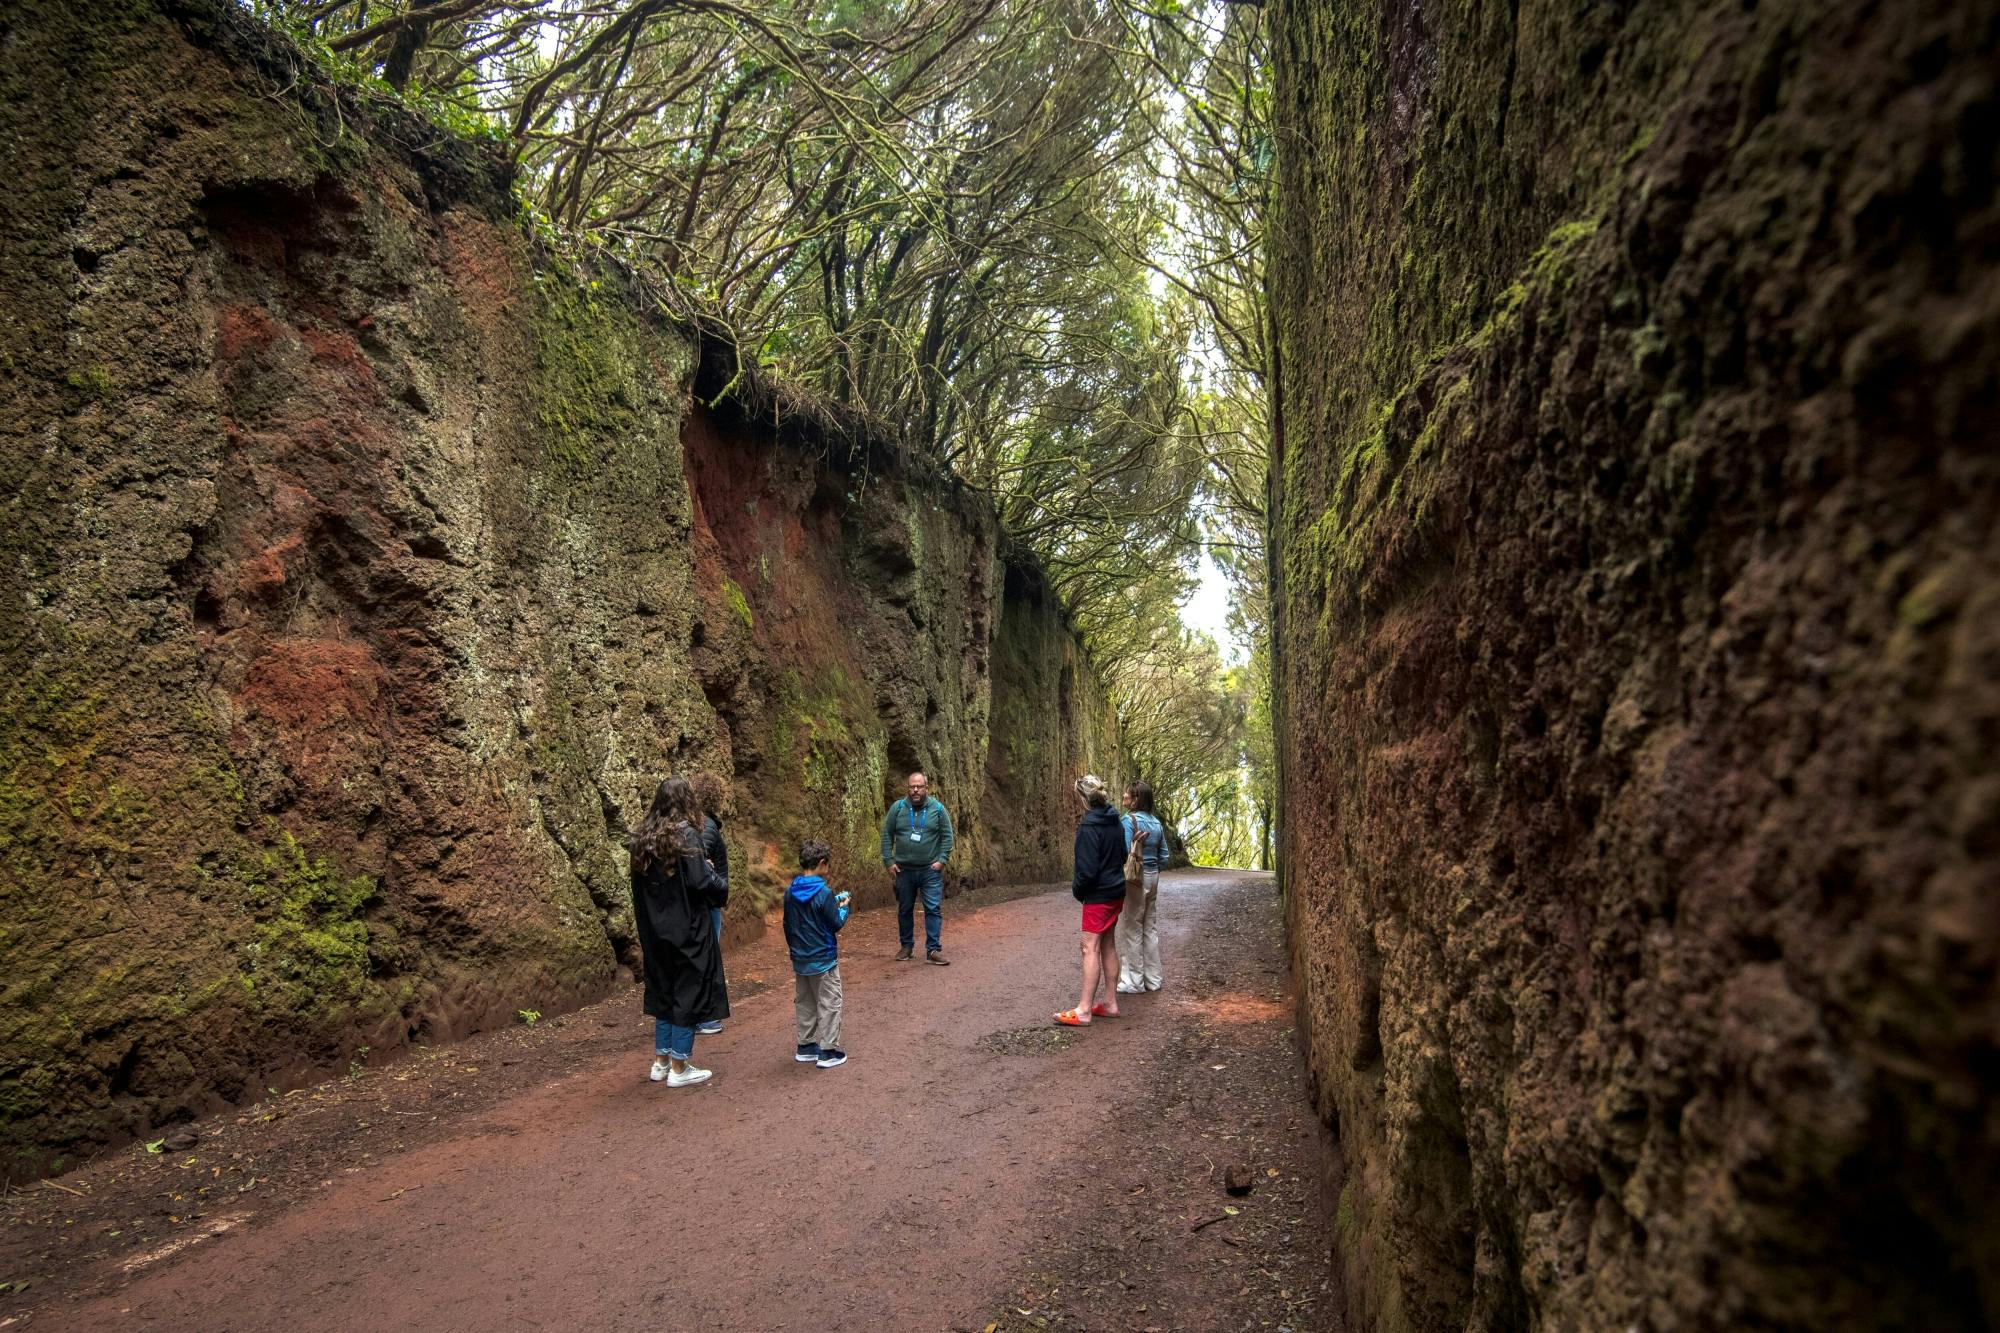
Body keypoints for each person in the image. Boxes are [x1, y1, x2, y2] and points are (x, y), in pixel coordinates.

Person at [629, 777, 728, 1087]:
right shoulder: (686, 835)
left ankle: (661, 1061)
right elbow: (700, 883)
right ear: (686, 800)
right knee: (687, 990)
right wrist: (714, 876)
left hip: (654, 930)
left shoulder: (642, 838)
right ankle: (680, 1066)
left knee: (665, 990)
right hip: (687, 929)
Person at [1056, 774, 1126, 1026]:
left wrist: (1079, 891)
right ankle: (1109, 1002)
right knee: (1107, 944)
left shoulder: (1089, 827)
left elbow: (1086, 871)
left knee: (1089, 947)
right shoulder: (1115, 821)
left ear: (1083, 800)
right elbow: (1123, 854)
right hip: (1116, 891)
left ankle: (1084, 1009)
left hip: (1098, 895)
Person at [784, 839, 851, 1069]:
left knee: (805, 1001)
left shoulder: (790, 892)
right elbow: (835, 923)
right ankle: (828, 1050)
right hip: (824, 958)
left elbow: (789, 923)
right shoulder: (823, 893)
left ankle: (806, 1045)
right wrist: (843, 908)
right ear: (822, 863)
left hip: (801, 958)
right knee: (830, 1001)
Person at [879, 771, 953, 965]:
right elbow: (887, 834)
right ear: (908, 788)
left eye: (919, 786)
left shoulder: (937, 809)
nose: (915, 790)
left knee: (933, 908)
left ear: (926, 788)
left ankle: (933, 949)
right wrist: (889, 861)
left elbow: (947, 836)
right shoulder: (898, 808)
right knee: (904, 909)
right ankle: (906, 947)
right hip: (904, 870)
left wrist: (942, 860)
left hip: (930, 870)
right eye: (912, 786)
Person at [1116, 780, 1167, 994]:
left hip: (1135, 878)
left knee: (1132, 927)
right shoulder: (1156, 823)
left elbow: (1123, 852)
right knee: (1150, 927)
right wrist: (1153, 866)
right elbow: (1164, 856)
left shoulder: (1128, 821)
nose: (1124, 798)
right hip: (1153, 875)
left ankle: (1132, 982)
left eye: (1127, 795)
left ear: (1136, 799)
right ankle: (1153, 980)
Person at [691, 772, 731, 1035]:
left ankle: (695, 1014)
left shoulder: (695, 822)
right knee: (707, 956)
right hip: (707, 901)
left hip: (701, 900)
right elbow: (700, 857)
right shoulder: (706, 825)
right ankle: (703, 1017)